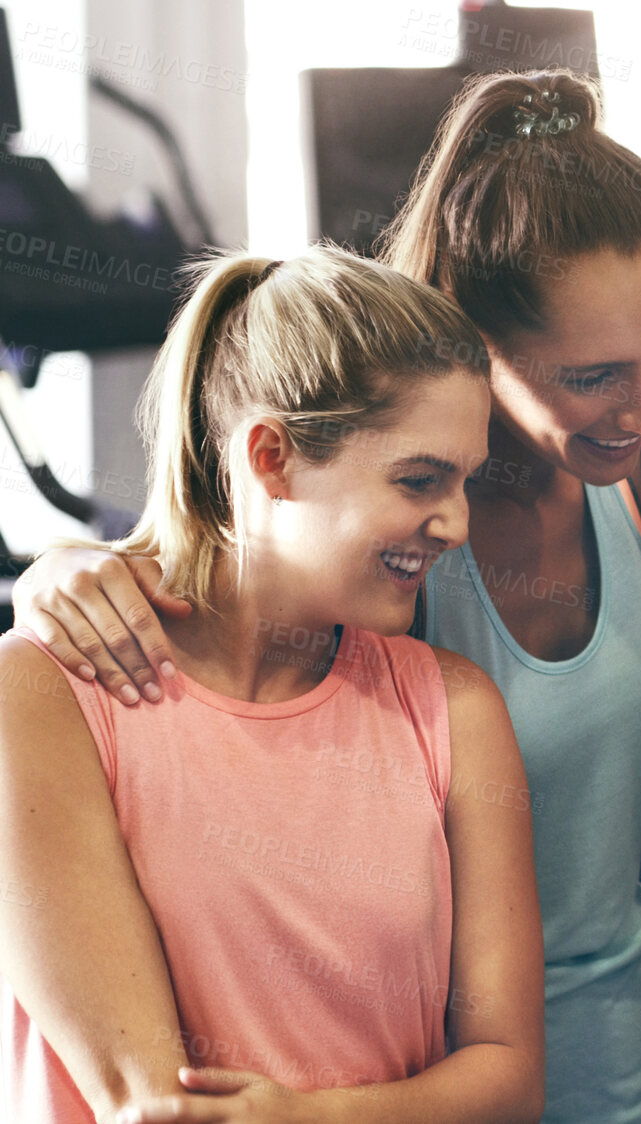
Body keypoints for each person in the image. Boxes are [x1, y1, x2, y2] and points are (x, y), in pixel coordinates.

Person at [13, 73, 641, 1123]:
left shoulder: (635, 461)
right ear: (480, 352)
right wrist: (67, 571)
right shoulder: (402, 548)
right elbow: (268, 538)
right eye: (596, 376)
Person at [0, 246, 544, 1123]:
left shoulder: (455, 710)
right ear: (271, 457)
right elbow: (147, 1103)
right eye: (419, 479)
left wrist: (310, 1116)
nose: (456, 523)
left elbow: (509, 1081)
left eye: (465, 482)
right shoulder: (44, 692)